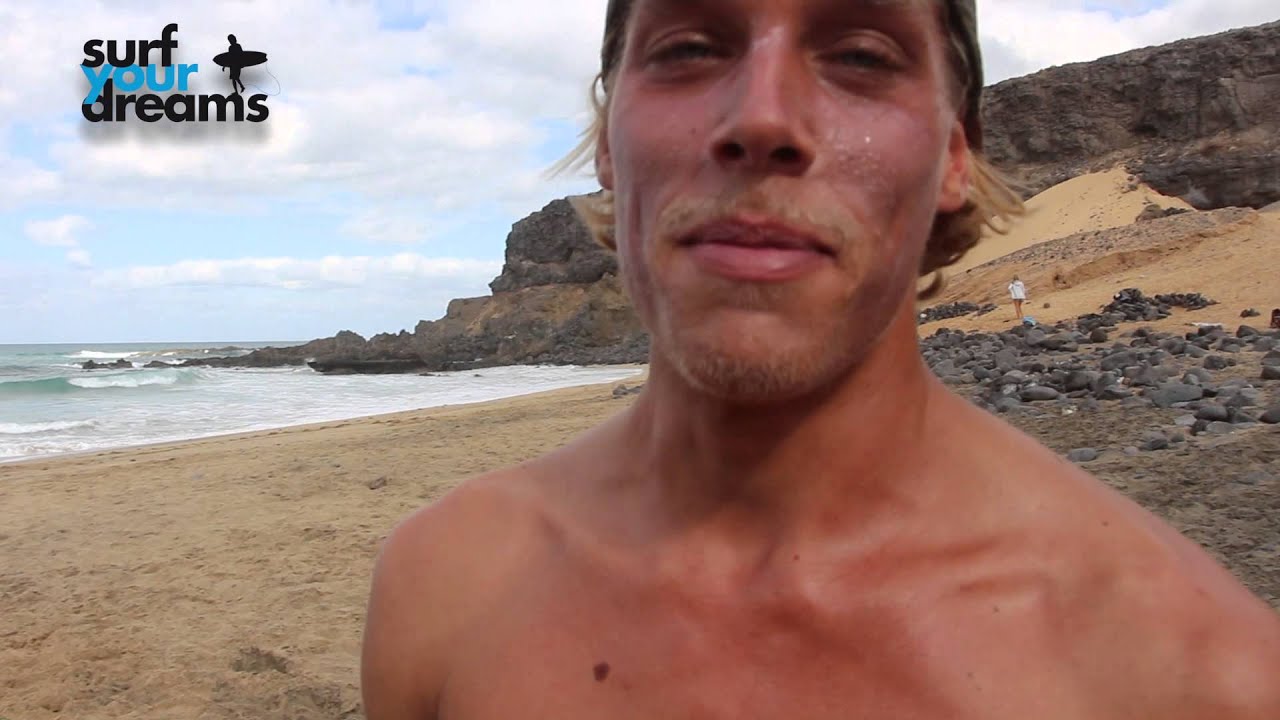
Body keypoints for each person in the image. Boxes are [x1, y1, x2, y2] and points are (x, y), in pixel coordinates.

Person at [361, 1, 1280, 717]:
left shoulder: (1198, 675)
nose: (761, 120)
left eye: (860, 56)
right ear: (608, 144)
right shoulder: (446, 586)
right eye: (687, 47)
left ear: (955, 155)